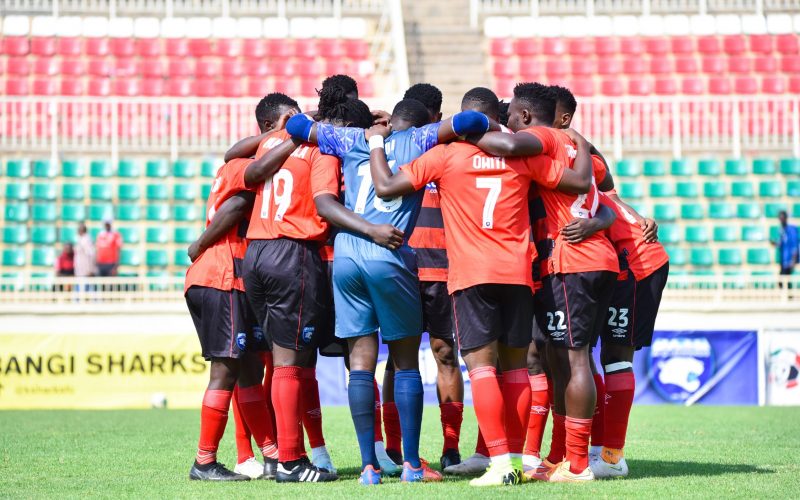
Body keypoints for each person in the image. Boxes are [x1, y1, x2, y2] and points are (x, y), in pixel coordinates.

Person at [368, 87, 597, 486]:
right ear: (498, 118)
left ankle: (498, 463)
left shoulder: (445, 155)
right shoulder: (522, 158)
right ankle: (520, 458)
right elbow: (578, 184)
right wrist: (578, 141)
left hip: (471, 274)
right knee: (515, 370)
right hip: (517, 274)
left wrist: (374, 145)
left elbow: (386, 187)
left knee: (482, 368)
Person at [285, 98, 493, 485]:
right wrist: (479, 124)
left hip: (345, 255)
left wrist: (336, 123)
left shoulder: (348, 138)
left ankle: (369, 466)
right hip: (389, 254)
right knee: (405, 362)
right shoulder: (420, 139)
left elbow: (296, 127)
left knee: (361, 363)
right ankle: (412, 463)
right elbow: (469, 120)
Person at [466, 82, 620, 483]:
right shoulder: (570, 145)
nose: (510, 123)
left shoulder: (540, 138)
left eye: (513, 116)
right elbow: (604, 192)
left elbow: (512, 148)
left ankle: (579, 463)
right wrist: (583, 144)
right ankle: (565, 457)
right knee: (567, 359)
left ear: (528, 117)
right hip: (597, 258)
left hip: (572, 259)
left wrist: (462, 131)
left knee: (573, 359)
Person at [380, 83, 466, 471]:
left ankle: (451, 449)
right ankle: (394, 449)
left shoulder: (452, 151)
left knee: (447, 354)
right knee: (398, 361)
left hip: (446, 268)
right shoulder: (394, 149)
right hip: (403, 266)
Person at [185, 157, 278, 482]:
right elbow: (237, 206)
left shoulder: (234, 165)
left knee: (250, 369)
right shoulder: (248, 170)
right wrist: (201, 242)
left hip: (231, 277)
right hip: (223, 275)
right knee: (226, 370)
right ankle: (204, 461)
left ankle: (272, 456)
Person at [773, 211, 798, 281]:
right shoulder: (781, 230)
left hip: (789, 261)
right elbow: (781, 244)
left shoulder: (791, 230)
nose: (781, 220)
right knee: (782, 282)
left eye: (782, 218)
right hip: (783, 261)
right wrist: (775, 243)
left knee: (786, 282)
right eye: (780, 218)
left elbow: (794, 245)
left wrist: (793, 260)